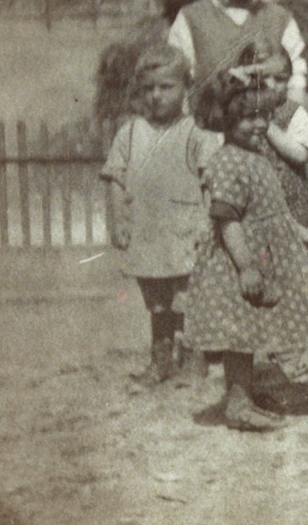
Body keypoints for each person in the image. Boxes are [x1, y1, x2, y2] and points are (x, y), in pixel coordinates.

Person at [184, 73, 308, 432]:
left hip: (263, 256)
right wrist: (246, 266)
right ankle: (237, 404)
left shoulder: (257, 156)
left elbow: (273, 210)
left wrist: (300, 230)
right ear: (226, 120)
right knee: (240, 336)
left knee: (250, 333)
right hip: (242, 259)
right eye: (248, 117)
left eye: (263, 115)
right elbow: (227, 218)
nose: (260, 124)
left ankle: (245, 396)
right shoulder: (230, 161)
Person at [100, 44, 219, 385]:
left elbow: (210, 182)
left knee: (188, 300)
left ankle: (193, 359)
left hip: (185, 231)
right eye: (148, 88)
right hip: (148, 233)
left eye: (165, 87)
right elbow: (115, 178)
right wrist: (119, 220)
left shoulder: (195, 133)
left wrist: (207, 223)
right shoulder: (130, 133)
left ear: (185, 87)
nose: (156, 95)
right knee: (157, 303)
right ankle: (161, 359)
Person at [168, 0, 307, 117]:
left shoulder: (280, 19)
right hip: (208, 137)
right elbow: (178, 89)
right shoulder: (191, 20)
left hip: (266, 135)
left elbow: (295, 87)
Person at [231, 41, 308, 228]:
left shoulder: (293, 112)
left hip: (292, 204)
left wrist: (266, 122)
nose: (271, 85)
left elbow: (301, 154)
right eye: (262, 78)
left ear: (289, 80)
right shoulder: (237, 111)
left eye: (280, 79)